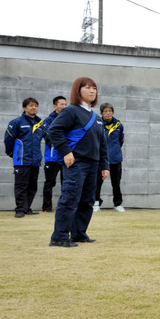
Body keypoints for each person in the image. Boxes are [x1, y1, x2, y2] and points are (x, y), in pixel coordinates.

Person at [47, 77, 109, 248]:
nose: (92, 91)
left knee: (87, 201)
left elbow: (102, 143)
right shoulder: (70, 111)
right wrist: (66, 152)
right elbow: (54, 130)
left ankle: (79, 234)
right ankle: (59, 237)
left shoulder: (96, 117)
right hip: (76, 163)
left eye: (94, 88)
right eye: (87, 87)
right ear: (78, 90)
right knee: (69, 199)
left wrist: (105, 166)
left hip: (93, 165)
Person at [4, 97, 45, 218]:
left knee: (32, 186)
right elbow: (8, 140)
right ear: (24, 108)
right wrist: (13, 154)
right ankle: (20, 209)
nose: (34, 108)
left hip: (35, 161)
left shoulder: (40, 124)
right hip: (21, 160)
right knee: (21, 185)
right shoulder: (16, 122)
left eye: (36, 105)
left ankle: (27, 208)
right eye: (31, 105)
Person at [94, 103, 125, 212]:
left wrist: (114, 151)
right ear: (101, 113)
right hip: (101, 159)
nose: (108, 113)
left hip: (115, 159)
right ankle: (96, 202)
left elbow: (121, 141)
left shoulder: (118, 125)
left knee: (116, 183)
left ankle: (118, 204)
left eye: (110, 111)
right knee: (97, 182)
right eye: (105, 111)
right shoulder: (97, 124)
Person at [41, 96, 68, 212]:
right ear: (55, 106)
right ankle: (47, 207)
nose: (64, 106)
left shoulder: (69, 119)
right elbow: (49, 138)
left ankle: (64, 207)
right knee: (49, 183)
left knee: (66, 184)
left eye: (65, 104)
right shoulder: (47, 121)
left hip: (67, 157)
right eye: (61, 104)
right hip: (52, 158)